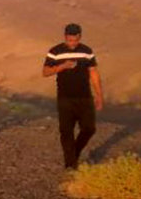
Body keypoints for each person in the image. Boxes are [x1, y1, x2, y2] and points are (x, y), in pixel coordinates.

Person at [43, 23, 104, 169]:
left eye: (75, 40)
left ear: (79, 37)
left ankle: (74, 151)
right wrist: (62, 66)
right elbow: (45, 72)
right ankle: (70, 163)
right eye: (70, 40)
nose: (72, 43)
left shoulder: (86, 52)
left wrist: (99, 95)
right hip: (65, 97)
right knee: (66, 130)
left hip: (84, 96)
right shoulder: (55, 51)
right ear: (65, 37)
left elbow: (93, 73)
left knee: (89, 128)